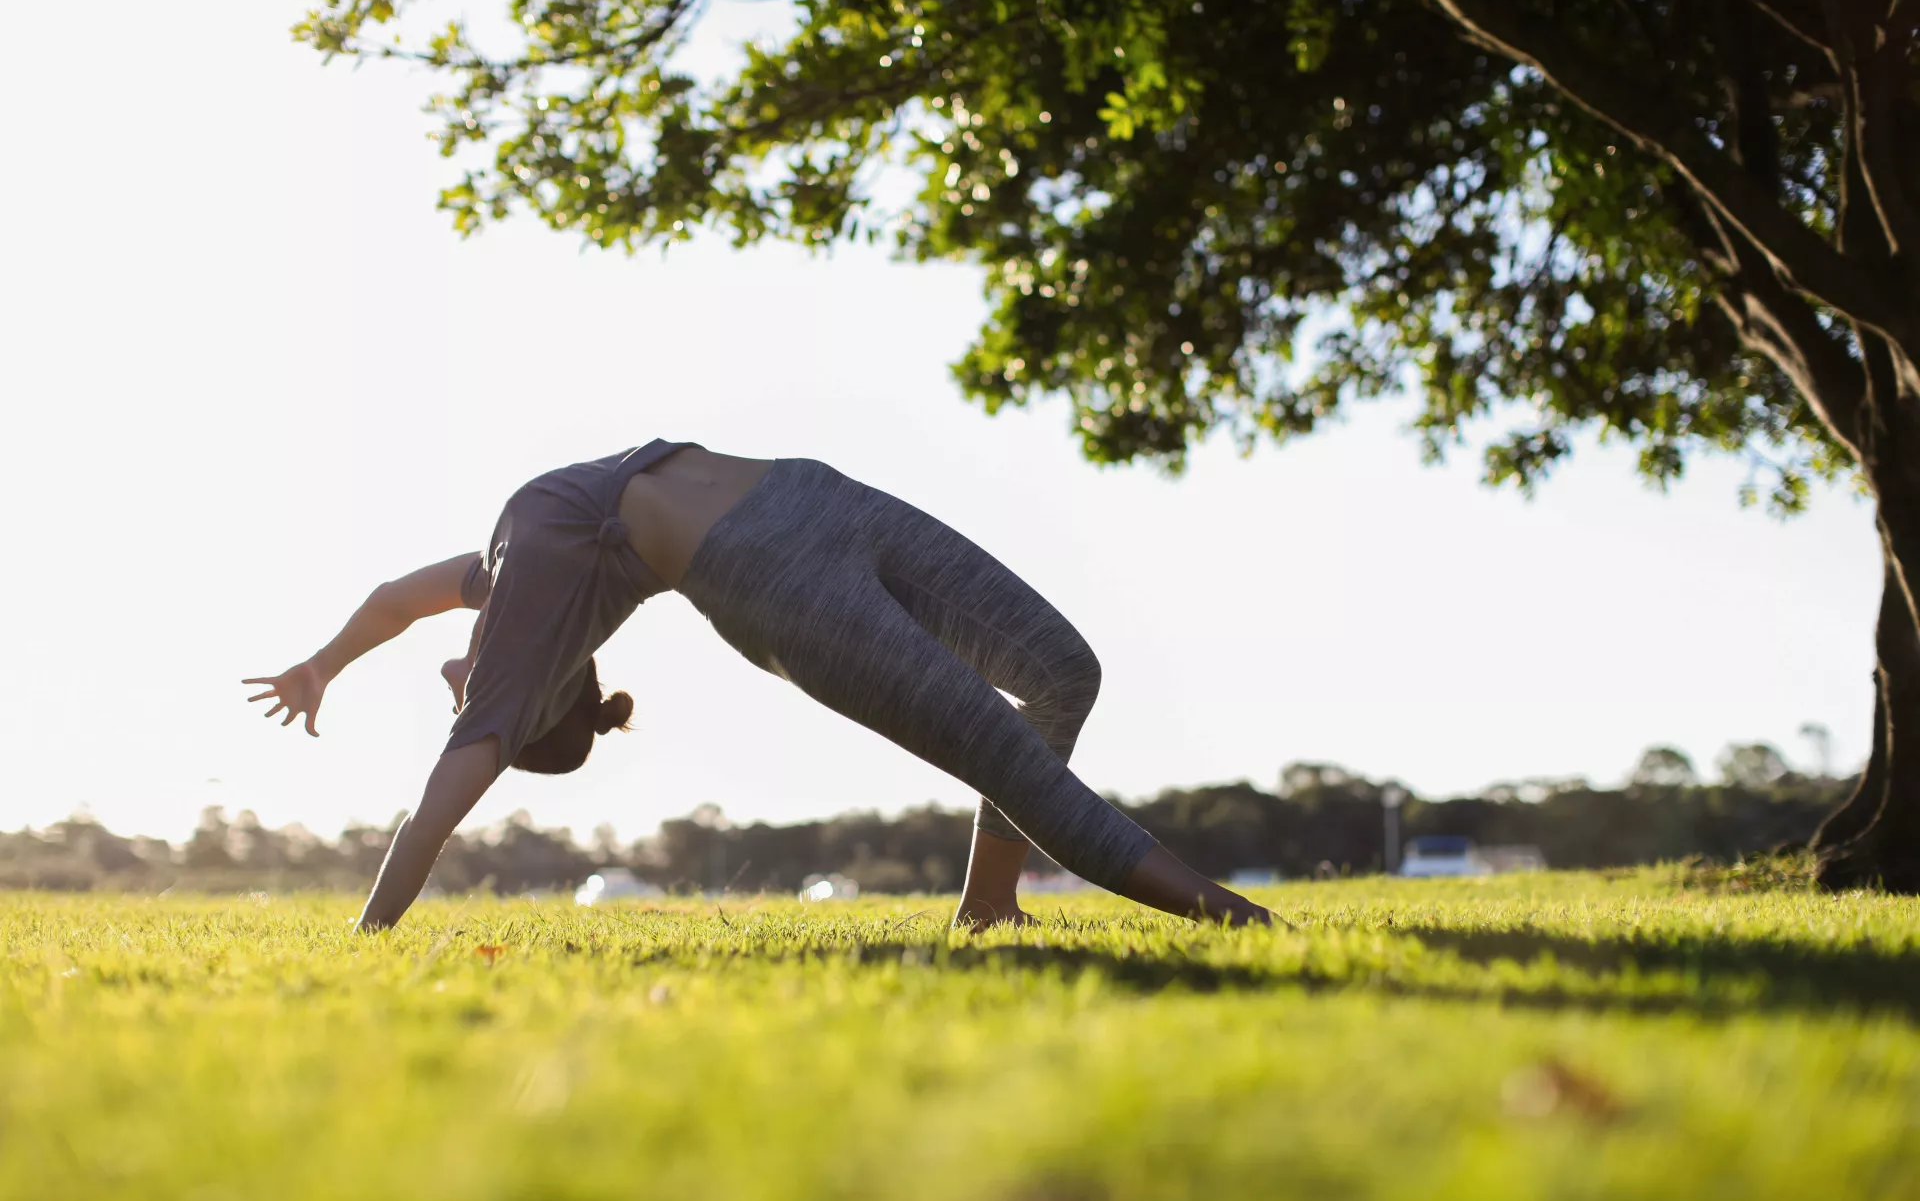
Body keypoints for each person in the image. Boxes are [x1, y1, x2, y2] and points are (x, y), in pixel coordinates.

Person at [244, 441, 1273, 931]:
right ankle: (1225, 914)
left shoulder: (509, 577)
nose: (460, 687)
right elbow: (428, 821)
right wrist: (370, 932)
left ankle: (989, 903)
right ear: (542, 701)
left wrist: (322, 664)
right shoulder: (518, 664)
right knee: (995, 745)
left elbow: (393, 597)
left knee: (1061, 671)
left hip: (811, 491)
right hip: (781, 586)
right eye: (476, 703)